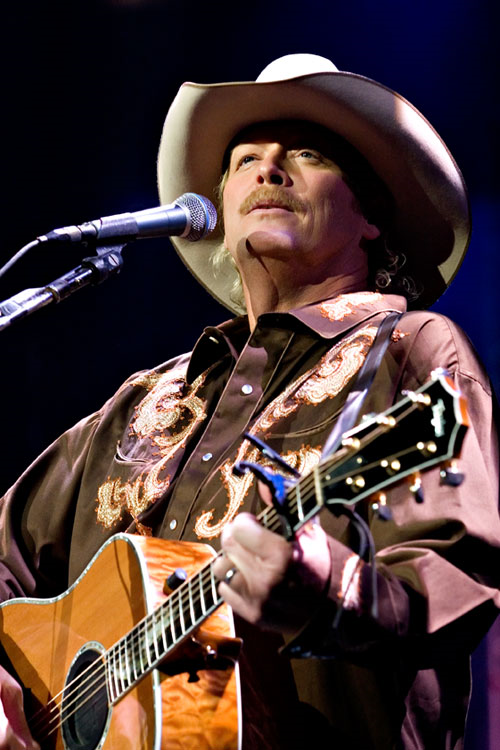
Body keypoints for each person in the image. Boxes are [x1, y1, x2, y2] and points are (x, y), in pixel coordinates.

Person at [0, 53, 498, 750]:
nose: (269, 170)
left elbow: (458, 577)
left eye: (308, 154)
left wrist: (328, 591)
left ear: (370, 218)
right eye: (244, 160)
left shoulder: (410, 349)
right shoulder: (146, 397)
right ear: (218, 216)